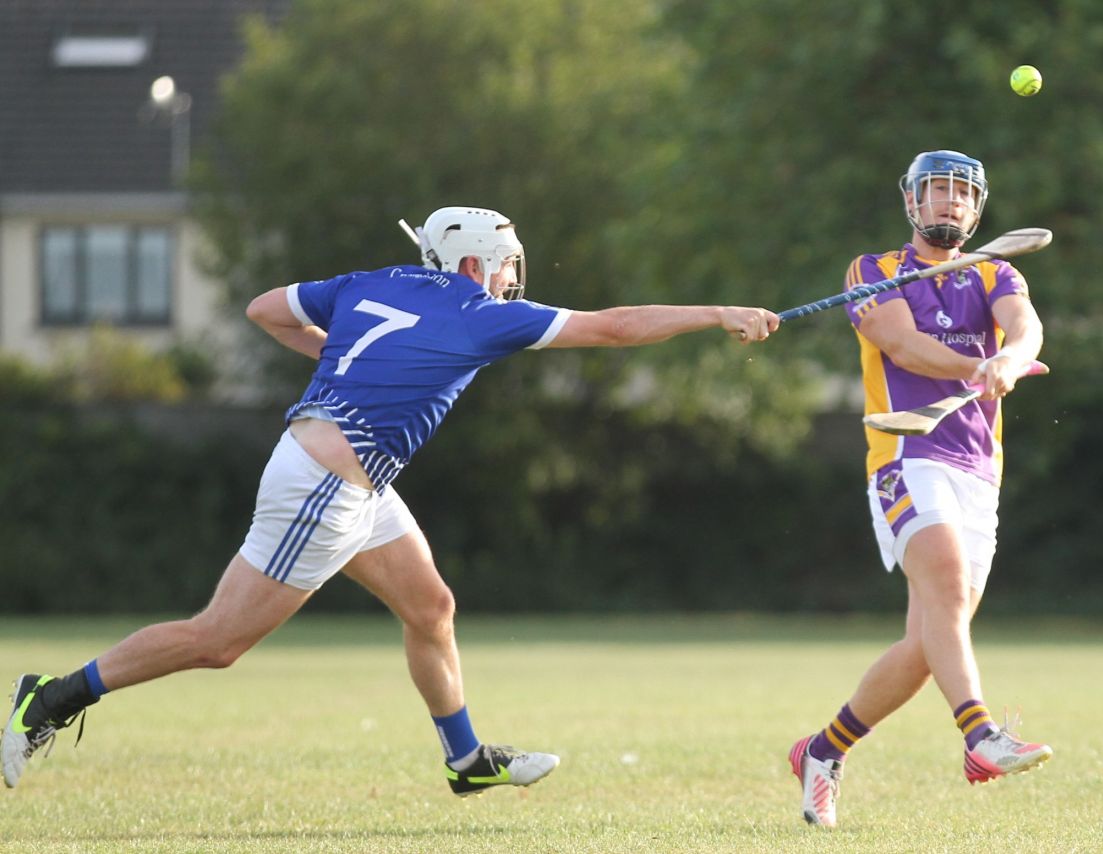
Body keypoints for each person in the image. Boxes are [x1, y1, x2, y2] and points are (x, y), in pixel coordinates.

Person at [4, 206, 780, 795]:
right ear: (473, 263)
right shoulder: (480, 312)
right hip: (323, 487)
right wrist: (717, 314)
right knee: (218, 641)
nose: (513, 277)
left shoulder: (375, 280)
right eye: (507, 264)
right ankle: (52, 696)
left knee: (431, 608)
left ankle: (467, 760)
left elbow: (264, 309)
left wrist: (335, 358)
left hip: (353, 477)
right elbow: (614, 329)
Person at [787, 151, 1052, 827]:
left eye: (962, 194)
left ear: (977, 209)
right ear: (911, 203)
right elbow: (902, 346)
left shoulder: (996, 270)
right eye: (937, 192)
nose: (950, 204)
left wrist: (1011, 359)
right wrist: (977, 365)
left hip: (977, 468)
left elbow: (1025, 326)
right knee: (943, 582)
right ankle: (981, 737)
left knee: (933, 639)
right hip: (906, 453)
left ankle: (821, 750)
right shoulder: (872, 271)